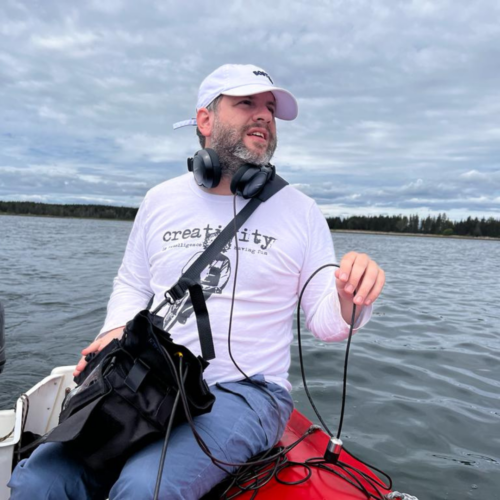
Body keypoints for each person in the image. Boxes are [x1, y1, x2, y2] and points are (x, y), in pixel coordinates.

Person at [9, 64, 385, 499]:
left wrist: (349, 294)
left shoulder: (300, 211)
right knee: (41, 478)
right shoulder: (160, 200)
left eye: (270, 108)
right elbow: (133, 282)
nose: (264, 114)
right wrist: (113, 330)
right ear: (205, 121)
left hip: (247, 391)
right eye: (246, 103)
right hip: (152, 378)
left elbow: (328, 323)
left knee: (144, 488)